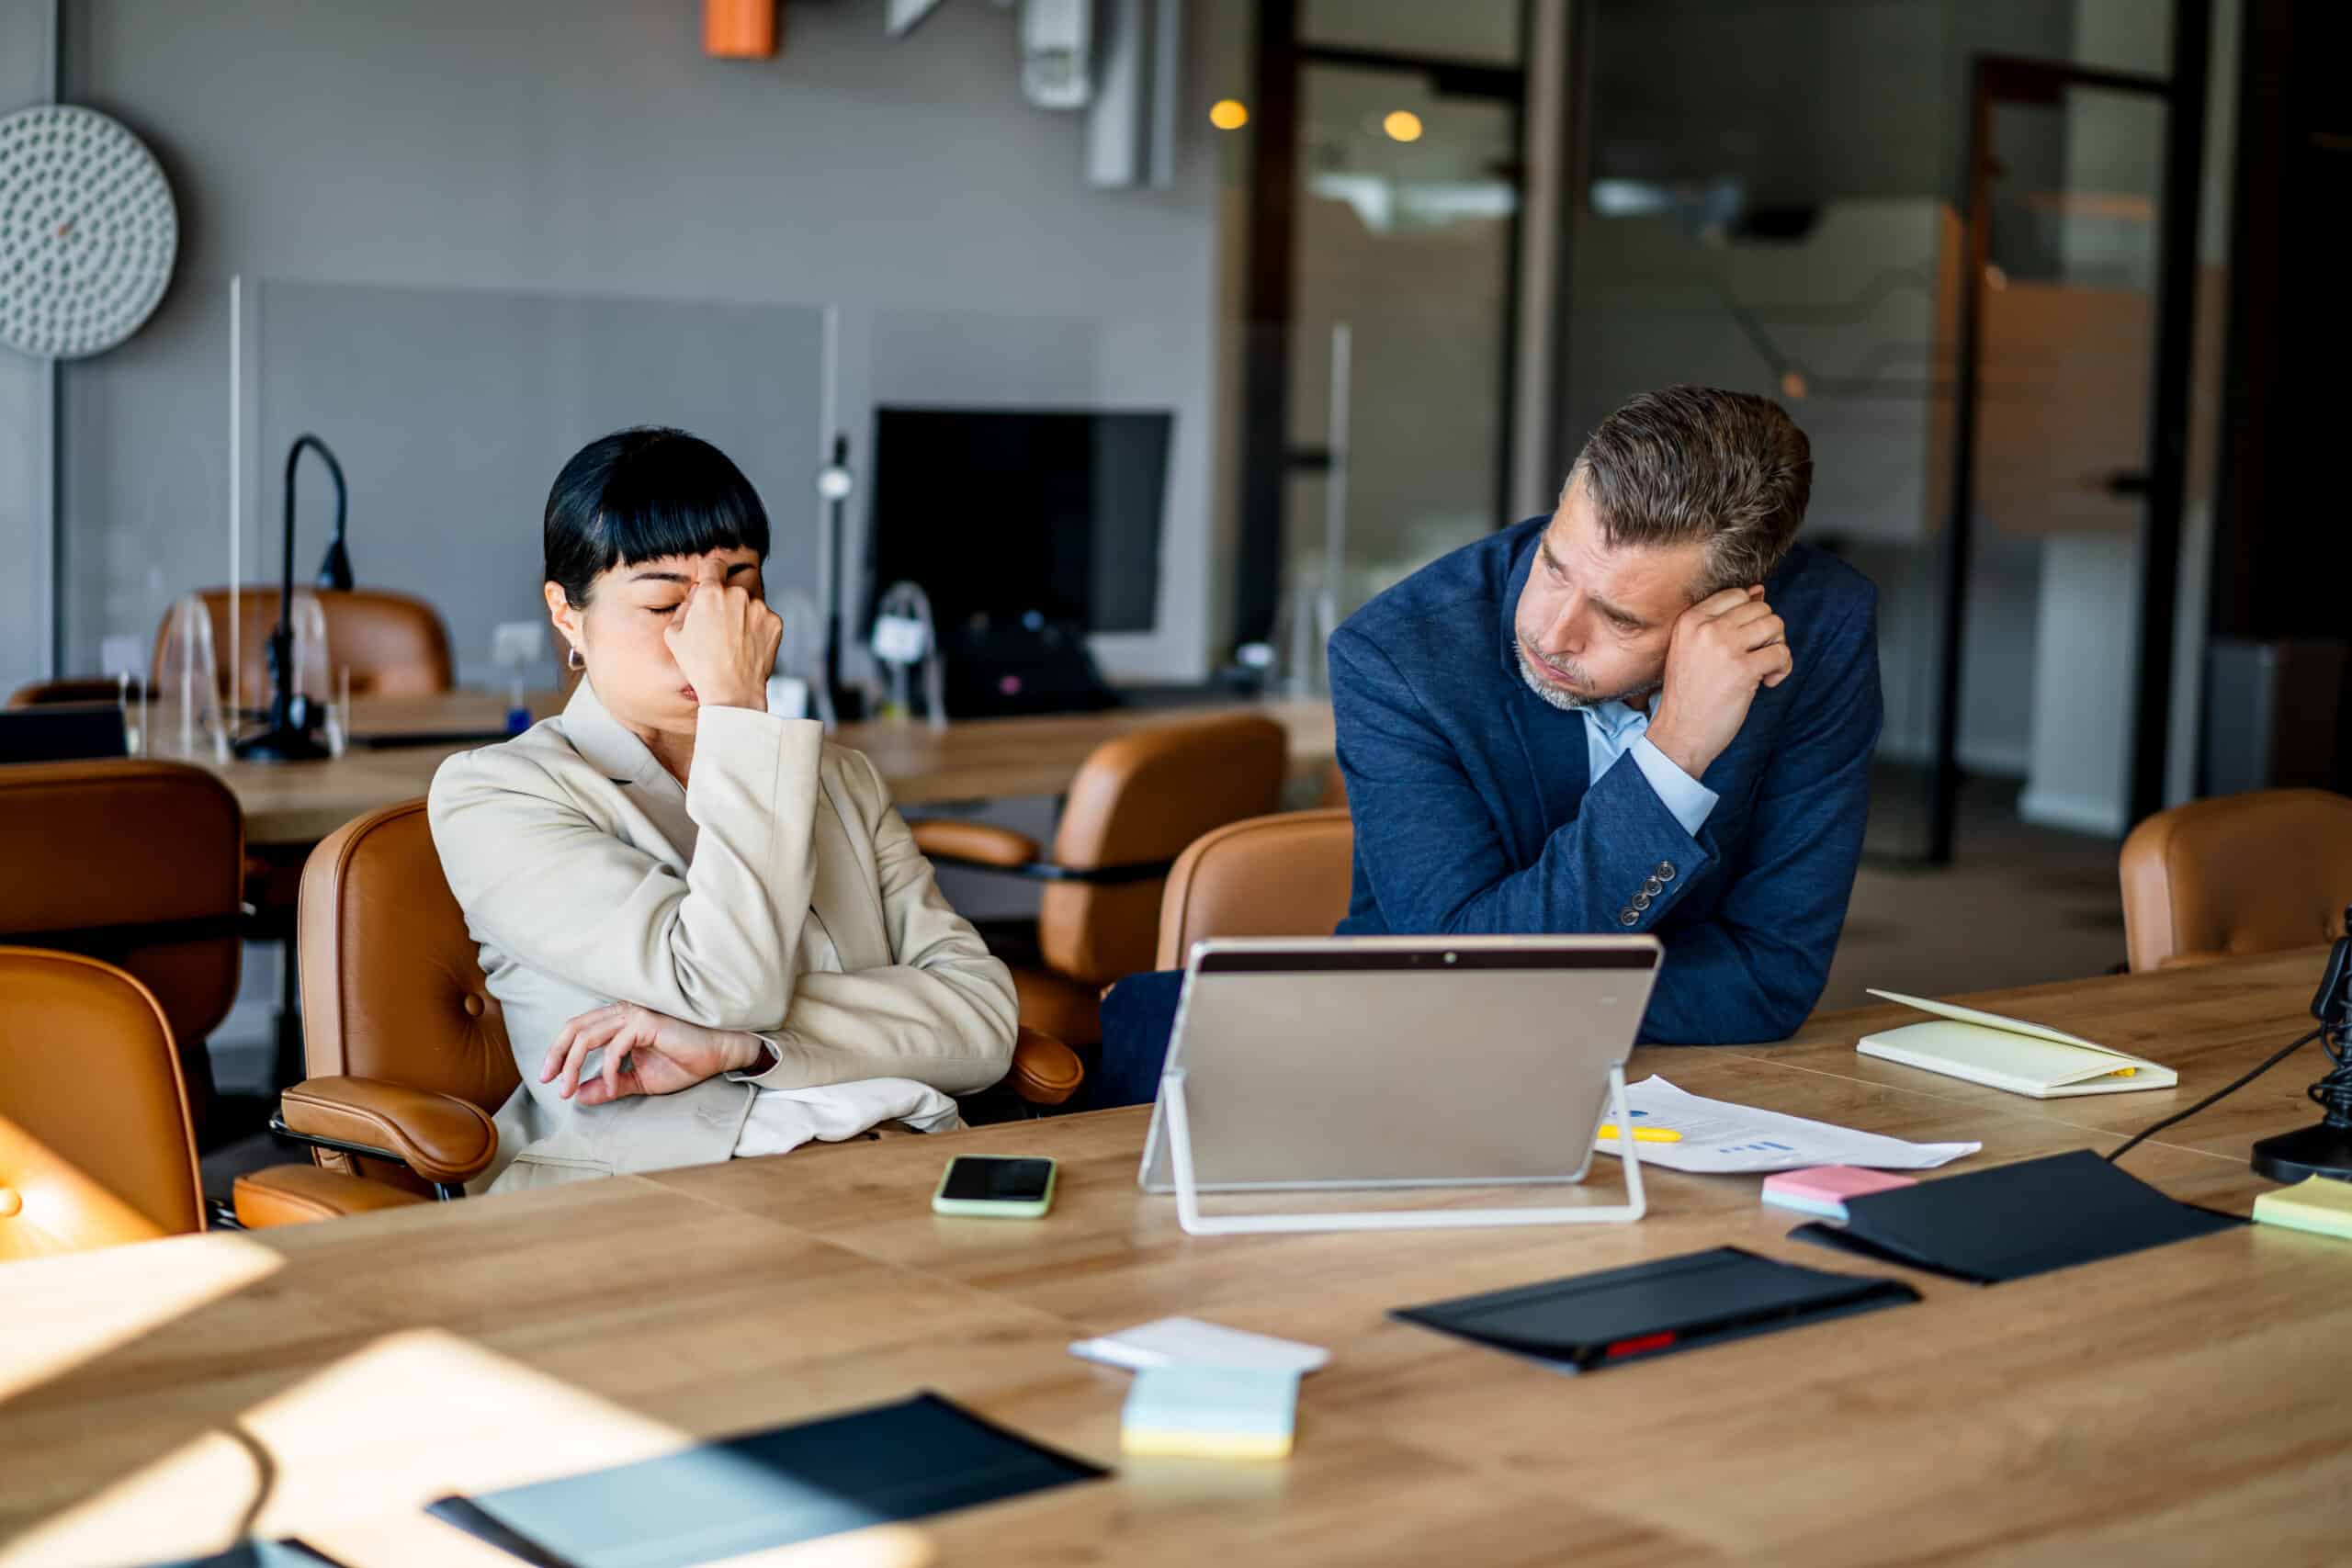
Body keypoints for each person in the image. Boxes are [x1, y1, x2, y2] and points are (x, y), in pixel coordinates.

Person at [1094, 385, 1878, 1100]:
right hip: (1401, 1067)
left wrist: (1526, 969)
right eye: (1553, 563)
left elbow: (1773, 976)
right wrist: (1673, 755)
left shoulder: (1817, 632)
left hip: (1687, 1090)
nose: (1551, 630)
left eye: (1620, 617)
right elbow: (1462, 968)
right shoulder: (1401, 659)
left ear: (1734, 608)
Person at [429, 427, 1016, 1191]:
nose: (713, 634)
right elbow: (729, 984)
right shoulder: (497, 793)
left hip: (895, 1162)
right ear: (568, 615)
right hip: (655, 1195)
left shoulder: (841, 778)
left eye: (740, 585)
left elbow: (983, 1017)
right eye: (667, 602)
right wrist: (737, 709)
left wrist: (747, 1048)